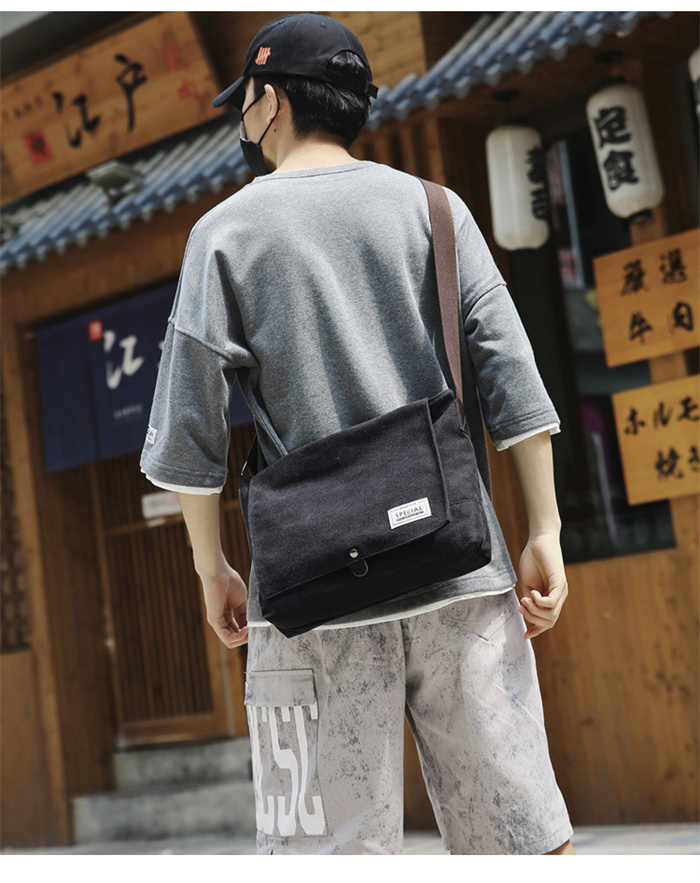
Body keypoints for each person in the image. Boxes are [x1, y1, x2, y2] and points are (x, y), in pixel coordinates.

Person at [140, 12, 576, 856]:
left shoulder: (224, 235)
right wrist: (545, 530)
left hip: (311, 596)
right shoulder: (437, 211)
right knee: (521, 843)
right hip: (459, 569)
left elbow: (191, 435)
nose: (243, 121)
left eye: (246, 102)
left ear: (271, 101)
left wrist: (213, 566)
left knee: (325, 857)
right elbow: (513, 377)